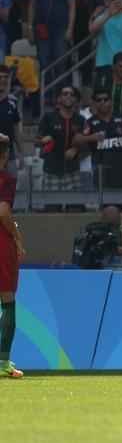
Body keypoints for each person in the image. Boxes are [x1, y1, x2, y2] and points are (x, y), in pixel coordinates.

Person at [0, 134, 21, 378]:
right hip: (1, 244)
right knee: (8, 301)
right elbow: (3, 212)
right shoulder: (6, 179)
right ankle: (3, 362)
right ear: (5, 155)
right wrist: (16, 236)